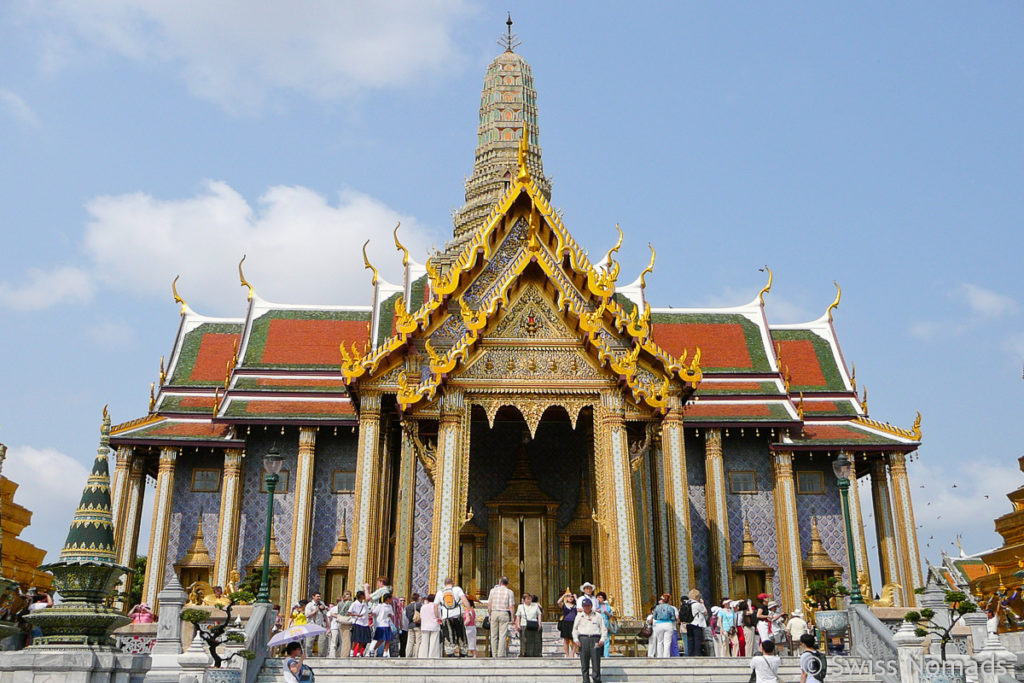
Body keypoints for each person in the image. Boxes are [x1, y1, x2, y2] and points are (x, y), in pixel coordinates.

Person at [572, 598, 607, 683]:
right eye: (585, 606)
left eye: (588, 606)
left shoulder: (598, 615)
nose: (587, 608)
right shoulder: (579, 616)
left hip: (595, 638)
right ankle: (585, 680)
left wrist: (602, 639)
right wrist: (576, 639)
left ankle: (596, 679)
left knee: (596, 661)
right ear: (582, 607)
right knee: (584, 661)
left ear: (591, 606)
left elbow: (603, 628)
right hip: (583, 639)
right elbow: (575, 629)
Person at [436, 577, 469, 657]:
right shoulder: (457, 589)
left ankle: (450, 652)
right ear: (453, 582)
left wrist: (437, 617)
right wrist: (469, 609)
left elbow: (435, 606)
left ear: (444, 583)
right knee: (460, 633)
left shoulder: (440, 592)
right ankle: (463, 651)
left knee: (448, 633)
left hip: (446, 616)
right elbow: (464, 600)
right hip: (457, 615)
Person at [484, 576, 515, 657]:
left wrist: (490, 614)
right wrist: (512, 617)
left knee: (493, 635)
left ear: (500, 582)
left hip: (494, 612)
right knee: (502, 635)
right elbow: (511, 606)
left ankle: (494, 654)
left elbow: (489, 604)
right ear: (507, 583)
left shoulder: (492, 591)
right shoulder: (509, 592)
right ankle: (500, 654)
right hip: (504, 613)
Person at [648, 594, 677, 658]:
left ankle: (660, 656)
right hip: (668, 624)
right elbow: (673, 618)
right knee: (667, 642)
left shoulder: (657, 607)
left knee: (659, 641)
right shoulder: (671, 608)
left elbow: (655, 617)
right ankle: (666, 656)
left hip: (659, 624)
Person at [514, 592, 543, 657]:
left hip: (534, 623)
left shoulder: (535, 605)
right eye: (527, 599)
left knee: (535, 639)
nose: (529, 600)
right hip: (524, 624)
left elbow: (539, 614)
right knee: (524, 640)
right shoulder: (520, 606)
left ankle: (536, 653)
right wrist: (517, 625)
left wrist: (539, 623)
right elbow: (518, 616)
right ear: (524, 600)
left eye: (530, 599)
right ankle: (524, 653)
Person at [347, 590, 371, 657]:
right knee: (356, 638)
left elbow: (367, 612)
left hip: (365, 623)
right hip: (358, 622)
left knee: (362, 639)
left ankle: (359, 652)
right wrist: (356, 615)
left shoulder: (364, 604)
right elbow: (349, 613)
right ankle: (352, 651)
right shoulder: (354, 604)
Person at [418, 593, 442, 658]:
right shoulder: (437, 607)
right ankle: (433, 656)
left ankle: (423, 656)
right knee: (434, 642)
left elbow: (421, 616)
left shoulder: (423, 607)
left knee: (424, 642)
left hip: (425, 626)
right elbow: (439, 616)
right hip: (434, 625)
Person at [304, 591, 328, 656]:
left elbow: (325, 615)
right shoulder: (309, 605)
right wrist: (315, 611)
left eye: (320, 596)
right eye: (317, 596)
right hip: (312, 625)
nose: (319, 598)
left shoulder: (321, 603)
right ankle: (308, 655)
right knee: (309, 641)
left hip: (321, 624)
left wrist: (328, 625)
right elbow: (307, 615)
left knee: (322, 641)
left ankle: (322, 655)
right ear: (313, 596)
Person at [685, 589, 707, 657]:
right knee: (697, 639)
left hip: (688, 623)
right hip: (696, 623)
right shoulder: (697, 604)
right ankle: (697, 653)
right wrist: (702, 604)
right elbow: (705, 612)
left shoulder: (686, 603)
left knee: (690, 639)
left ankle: (690, 653)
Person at [557, 591, 578, 657]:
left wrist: (576, 597)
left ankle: (573, 653)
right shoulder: (565, 605)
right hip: (566, 623)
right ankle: (567, 654)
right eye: (569, 597)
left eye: (572, 597)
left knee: (573, 639)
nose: (570, 598)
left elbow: (580, 605)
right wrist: (564, 595)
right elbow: (558, 602)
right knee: (566, 640)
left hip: (573, 623)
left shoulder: (575, 606)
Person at [593, 592, 614, 658]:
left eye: (600, 597)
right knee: (596, 639)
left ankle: (606, 655)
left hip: (605, 624)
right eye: (598, 597)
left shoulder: (607, 606)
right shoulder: (595, 606)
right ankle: (596, 654)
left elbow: (611, 616)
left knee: (606, 639)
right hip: (597, 624)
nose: (599, 599)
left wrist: (607, 613)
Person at [405, 593, 421, 658]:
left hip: (410, 625)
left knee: (410, 641)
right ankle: (416, 655)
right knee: (418, 641)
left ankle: (408, 655)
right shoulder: (419, 605)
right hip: (417, 625)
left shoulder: (407, 606)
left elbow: (407, 615)